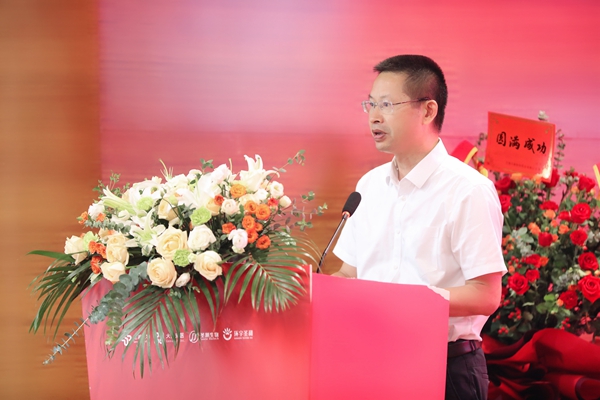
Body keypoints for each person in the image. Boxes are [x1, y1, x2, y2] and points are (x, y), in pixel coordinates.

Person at [332, 55, 507, 400]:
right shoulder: (369, 186)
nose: (374, 116)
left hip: (446, 368)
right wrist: (310, 290)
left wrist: (408, 302)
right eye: (370, 104)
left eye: (386, 105)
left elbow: (486, 295)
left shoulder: (468, 190)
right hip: (373, 359)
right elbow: (349, 273)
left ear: (427, 111)